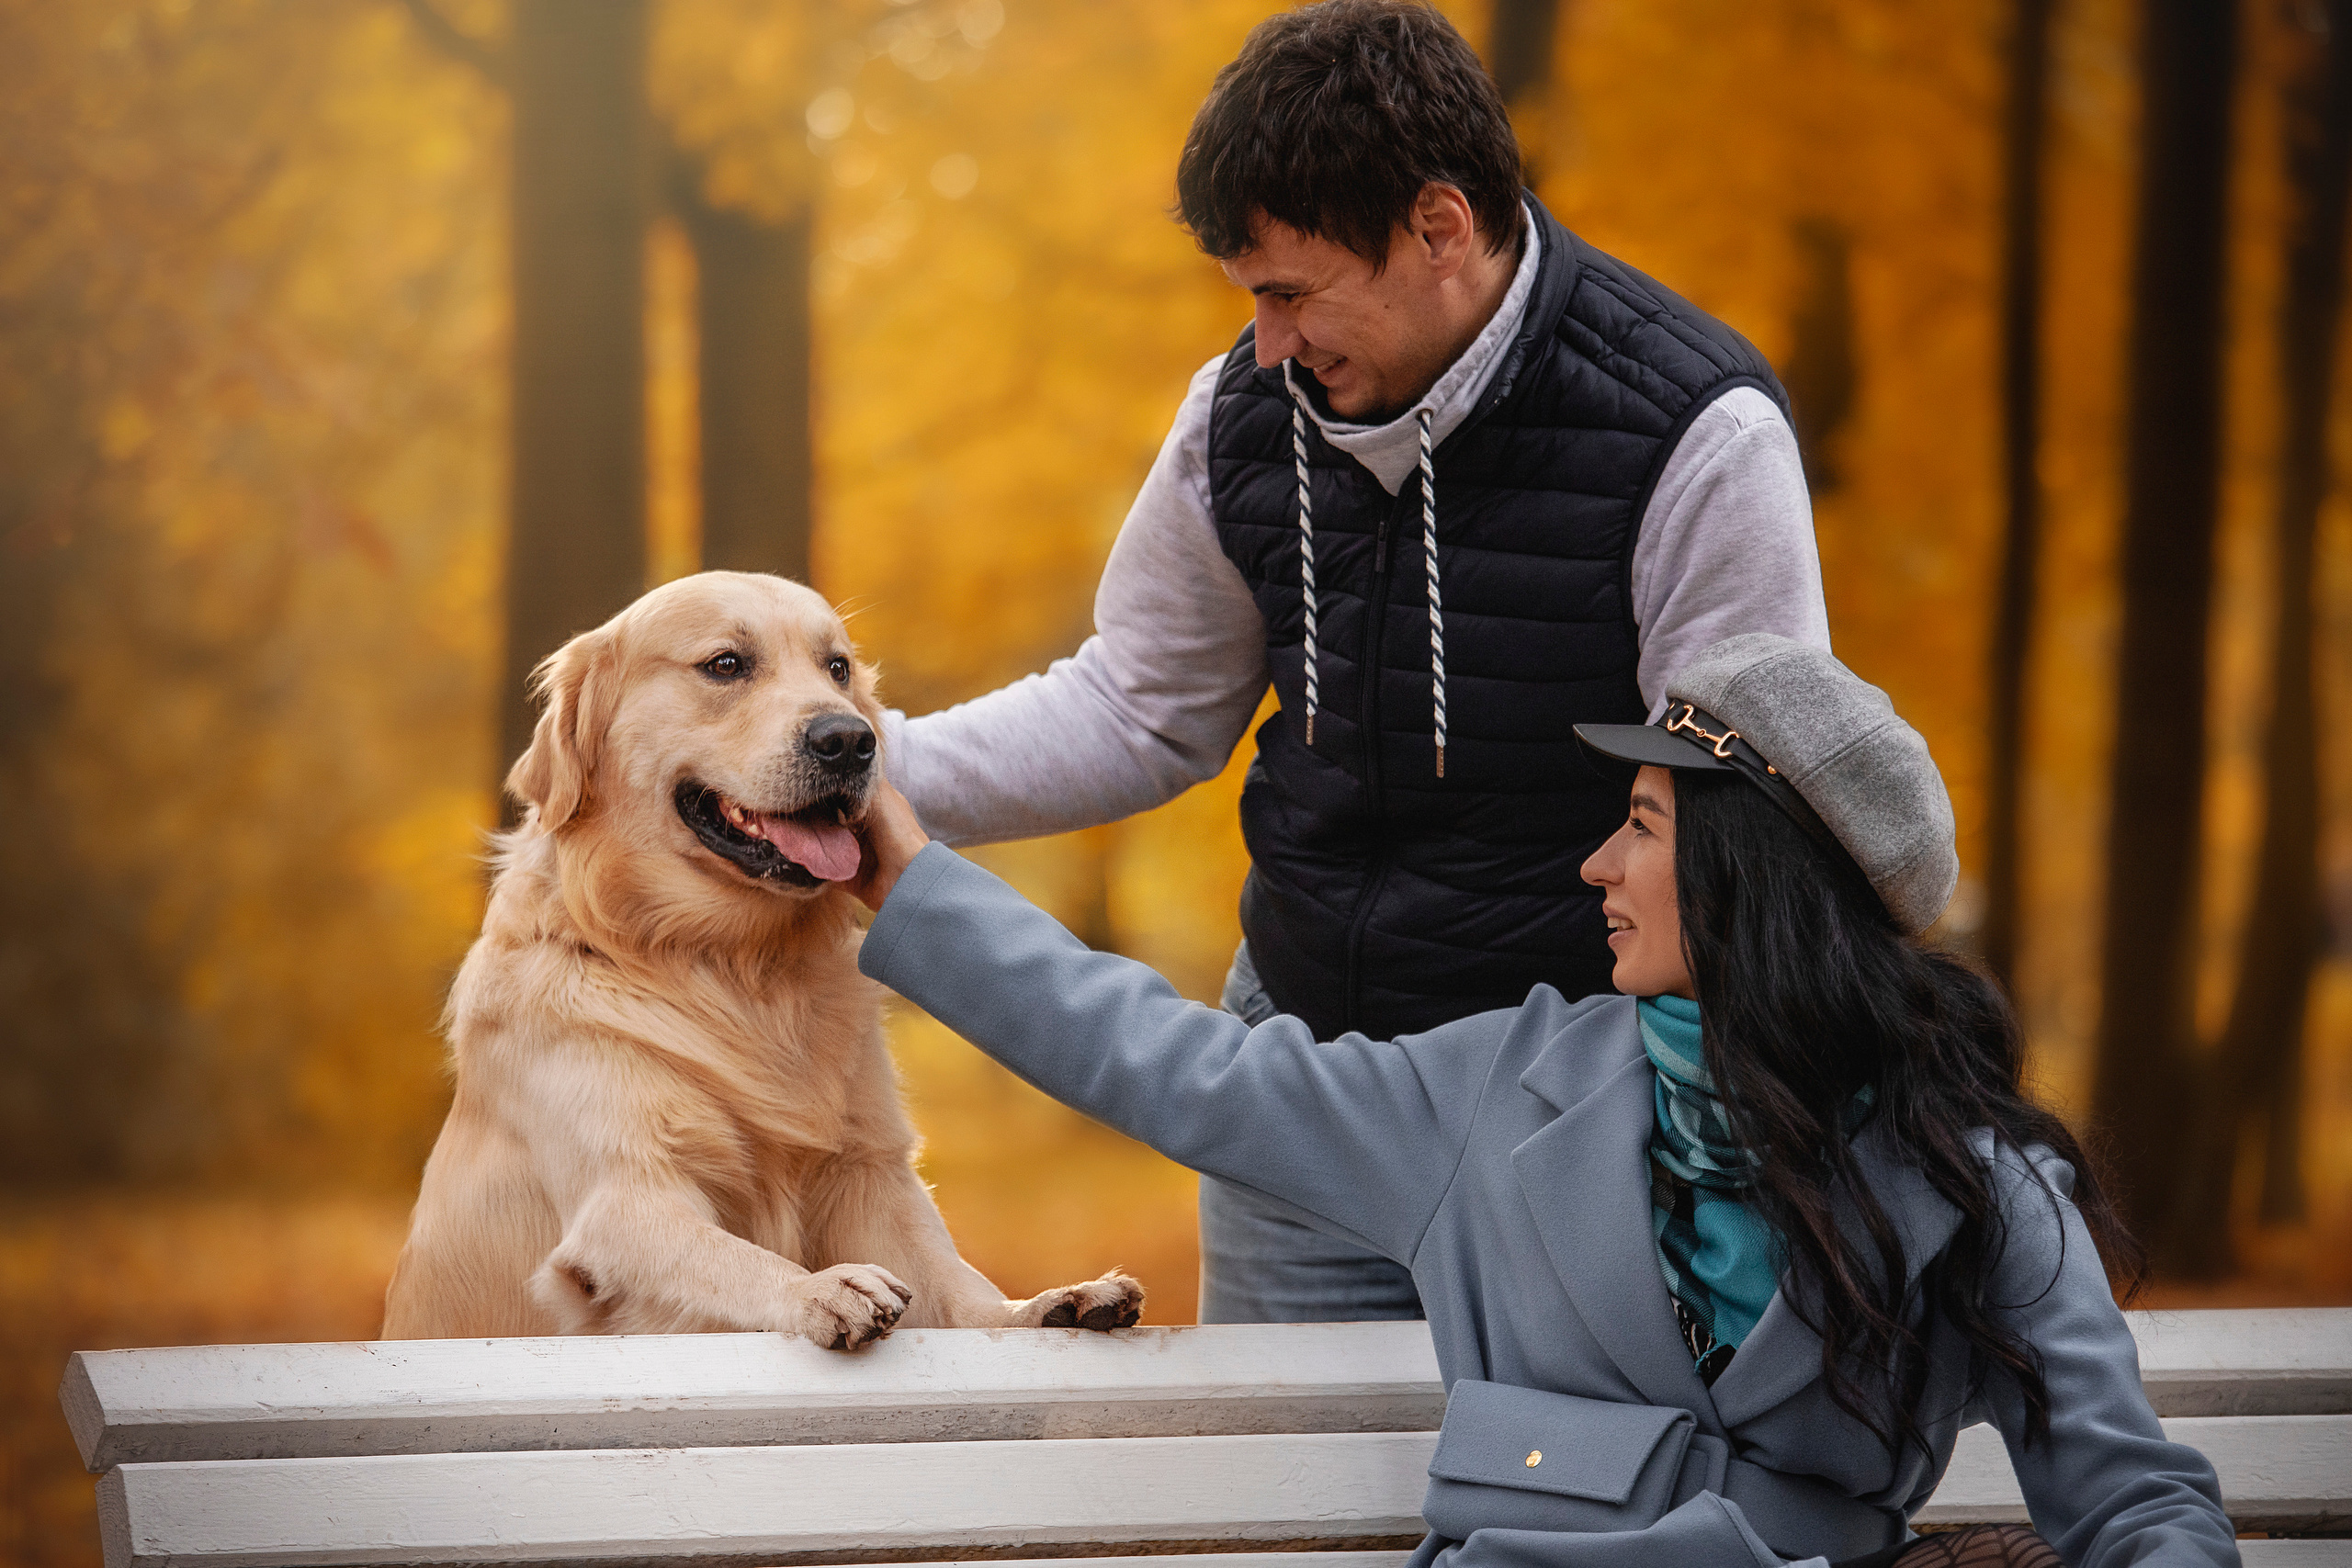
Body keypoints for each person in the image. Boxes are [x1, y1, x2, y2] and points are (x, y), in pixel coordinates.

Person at [846, 634, 2238, 1568]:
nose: (1596, 868)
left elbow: (2130, 1494)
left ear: (1754, 885)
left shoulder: (1970, 1177)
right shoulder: (1490, 1094)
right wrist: (911, 883)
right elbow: (1176, 1065)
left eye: (1640, 826)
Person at [883, 0, 1830, 1325]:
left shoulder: (1696, 436)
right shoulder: (1242, 415)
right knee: (1282, 1503)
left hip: (1571, 1110)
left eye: (1290, 291)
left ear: (1441, 228)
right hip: (1299, 1092)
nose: (1269, 344)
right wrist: (859, 773)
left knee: (1555, 1501)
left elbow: (1737, 814)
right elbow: (1139, 706)